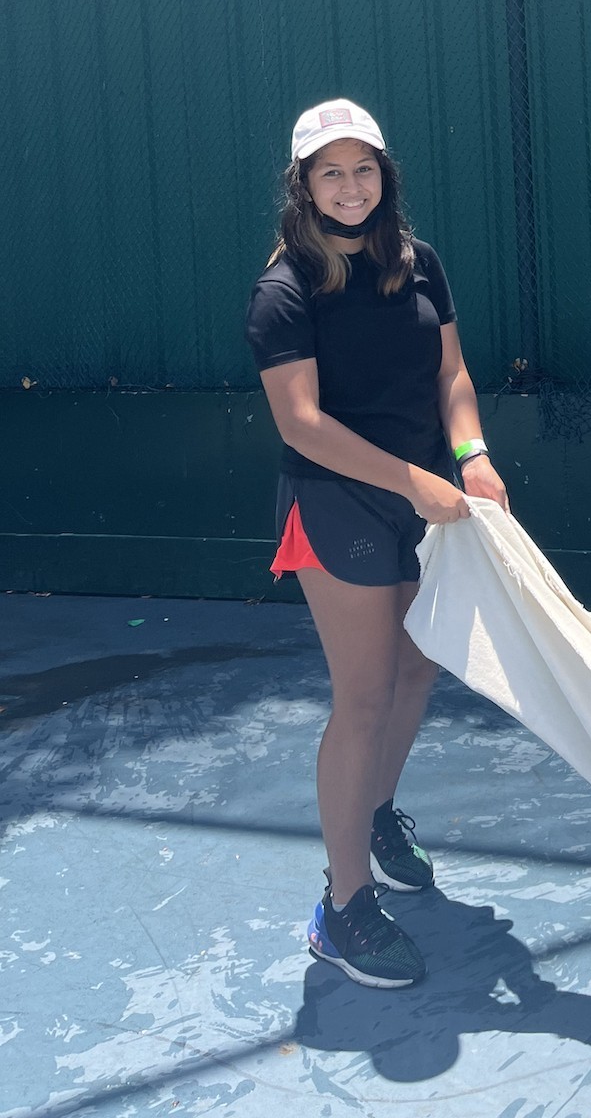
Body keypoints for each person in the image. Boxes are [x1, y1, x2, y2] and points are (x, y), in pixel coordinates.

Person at [246, 100, 508, 988]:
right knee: (362, 697)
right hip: (340, 503)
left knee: (419, 666)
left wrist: (471, 455)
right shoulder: (284, 291)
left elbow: (452, 373)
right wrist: (410, 482)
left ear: (384, 177)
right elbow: (303, 424)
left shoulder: (419, 262)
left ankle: (377, 811)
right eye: (331, 171)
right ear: (304, 186)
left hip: (425, 495)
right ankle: (343, 905)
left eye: (364, 168)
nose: (350, 186)